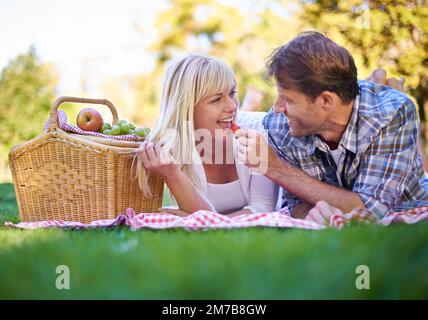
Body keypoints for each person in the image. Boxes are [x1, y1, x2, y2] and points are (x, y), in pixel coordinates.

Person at [235, 31, 428, 224]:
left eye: (288, 100)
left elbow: (371, 209)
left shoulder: (393, 113)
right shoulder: (279, 125)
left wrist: (275, 168)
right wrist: (312, 213)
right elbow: (297, 204)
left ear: (326, 100)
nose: (277, 109)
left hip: (406, 208)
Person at [135, 53, 279, 216]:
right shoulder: (171, 149)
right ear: (187, 108)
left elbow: (263, 209)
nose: (232, 106)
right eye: (216, 99)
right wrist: (172, 174)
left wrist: (191, 219)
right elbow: (203, 216)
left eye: (232, 93)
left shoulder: (257, 129)